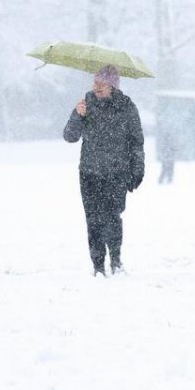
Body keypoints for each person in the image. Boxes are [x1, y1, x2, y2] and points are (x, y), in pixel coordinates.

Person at [63, 65, 144, 277]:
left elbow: (136, 142)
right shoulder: (86, 104)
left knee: (113, 217)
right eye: (95, 82)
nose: (96, 87)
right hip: (89, 173)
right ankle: (98, 266)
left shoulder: (126, 107)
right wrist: (77, 116)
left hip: (117, 173)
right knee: (93, 220)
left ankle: (116, 260)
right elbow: (70, 136)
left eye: (102, 83)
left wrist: (138, 171)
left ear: (113, 85)